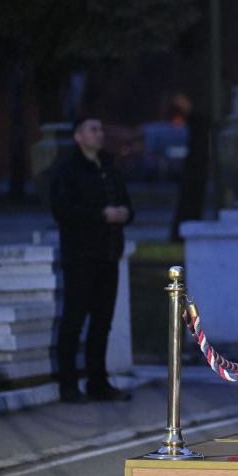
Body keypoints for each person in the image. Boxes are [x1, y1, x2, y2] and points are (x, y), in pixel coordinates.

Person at [50, 117, 135, 403]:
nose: (99, 134)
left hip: (108, 256)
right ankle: (68, 384)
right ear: (78, 137)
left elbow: (127, 205)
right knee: (74, 320)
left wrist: (124, 214)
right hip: (81, 256)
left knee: (102, 321)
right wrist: (102, 215)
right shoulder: (68, 171)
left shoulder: (109, 169)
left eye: (101, 129)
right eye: (92, 129)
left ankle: (98, 382)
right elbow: (64, 212)